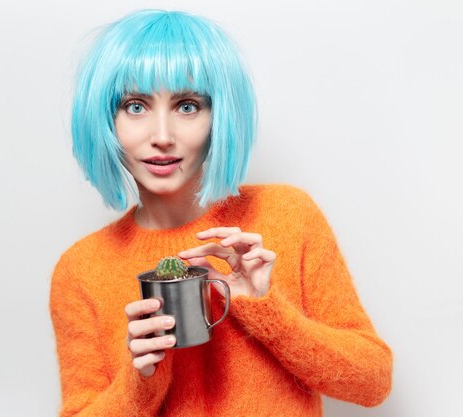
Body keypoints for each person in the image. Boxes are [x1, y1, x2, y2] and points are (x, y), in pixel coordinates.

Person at [49, 9, 393, 417]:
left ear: (220, 117)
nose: (162, 136)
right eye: (135, 106)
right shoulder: (80, 269)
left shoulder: (288, 214)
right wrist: (140, 379)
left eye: (188, 106)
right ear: (105, 120)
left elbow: (373, 383)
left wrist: (267, 310)